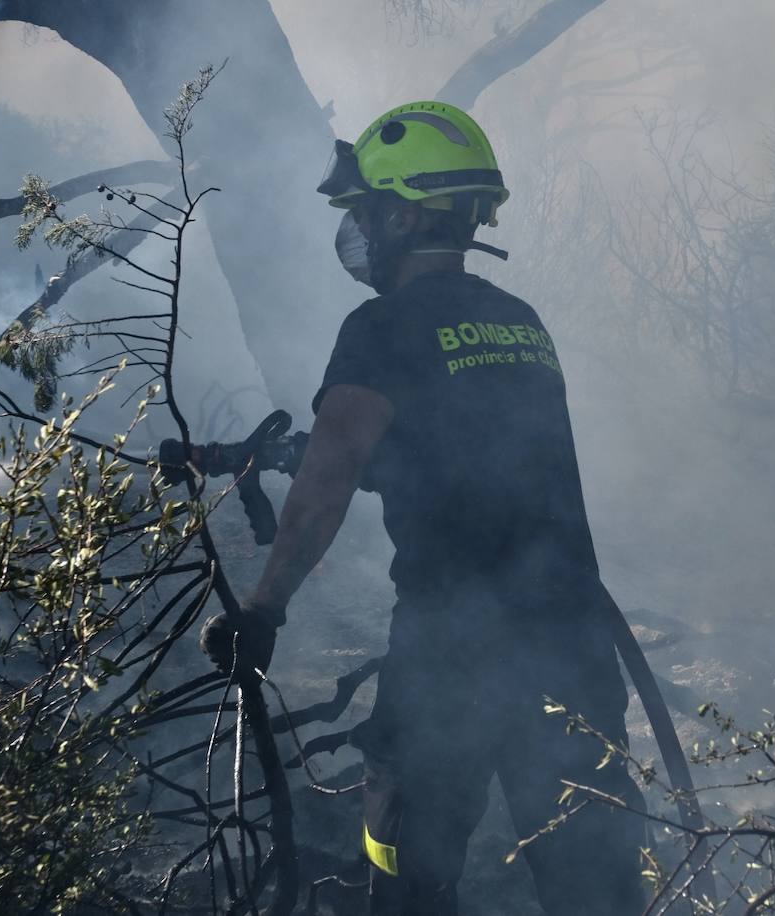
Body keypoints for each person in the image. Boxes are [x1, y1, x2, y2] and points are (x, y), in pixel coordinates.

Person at [200, 101, 647, 915]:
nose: (359, 230)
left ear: (405, 211)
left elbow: (329, 484)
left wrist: (264, 609)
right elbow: (469, 450)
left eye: (366, 210)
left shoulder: (381, 327)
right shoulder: (520, 323)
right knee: (598, 886)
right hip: (573, 644)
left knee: (406, 867)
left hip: (452, 653)